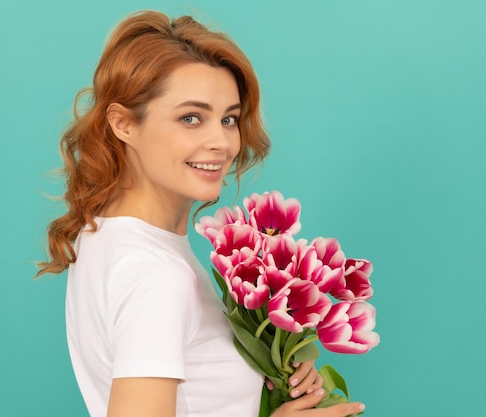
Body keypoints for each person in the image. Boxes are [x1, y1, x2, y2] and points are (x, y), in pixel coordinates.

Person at [38, 10, 365, 417]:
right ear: (123, 124)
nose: (221, 142)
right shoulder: (156, 272)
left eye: (228, 118)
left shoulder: (107, 237)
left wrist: (274, 372)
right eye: (191, 118)